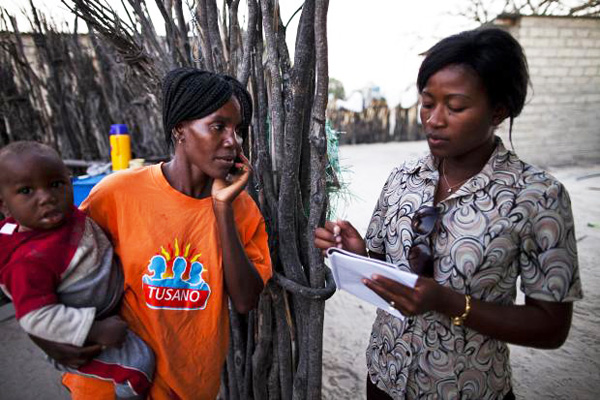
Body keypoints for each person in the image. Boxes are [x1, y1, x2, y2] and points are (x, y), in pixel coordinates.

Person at [315, 27, 583, 399]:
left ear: (499, 110)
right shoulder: (402, 178)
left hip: (465, 388)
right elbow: (386, 274)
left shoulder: (537, 197)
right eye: (427, 103)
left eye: (455, 107)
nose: (434, 119)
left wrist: (449, 303)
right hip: (384, 377)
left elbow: (551, 327)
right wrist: (358, 254)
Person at [32, 68, 273, 399]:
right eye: (218, 126)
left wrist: (222, 210)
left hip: (190, 384)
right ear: (180, 129)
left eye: (239, 130)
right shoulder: (117, 194)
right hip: (113, 383)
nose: (233, 141)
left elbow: (246, 300)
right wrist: (47, 336)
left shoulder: (241, 209)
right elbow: (41, 259)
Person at [0, 141, 154, 399]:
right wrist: (95, 330)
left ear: (69, 182)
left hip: (111, 303)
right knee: (139, 366)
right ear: (4, 206)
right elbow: (35, 317)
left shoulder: (63, 218)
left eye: (55, 185)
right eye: (27, 190)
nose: (46, 197)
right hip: (84, 333)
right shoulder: (28, 261)